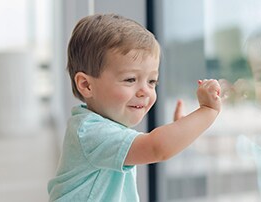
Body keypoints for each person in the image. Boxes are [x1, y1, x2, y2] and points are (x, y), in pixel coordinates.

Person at [47, 13, 221, 202]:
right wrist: (207, 110)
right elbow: (157, 148)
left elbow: (159, 147)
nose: (145, 91)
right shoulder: (90, 132)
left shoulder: (98, 125)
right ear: (86, 85)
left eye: (152, 81)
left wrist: (180, 130)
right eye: (130, 79)